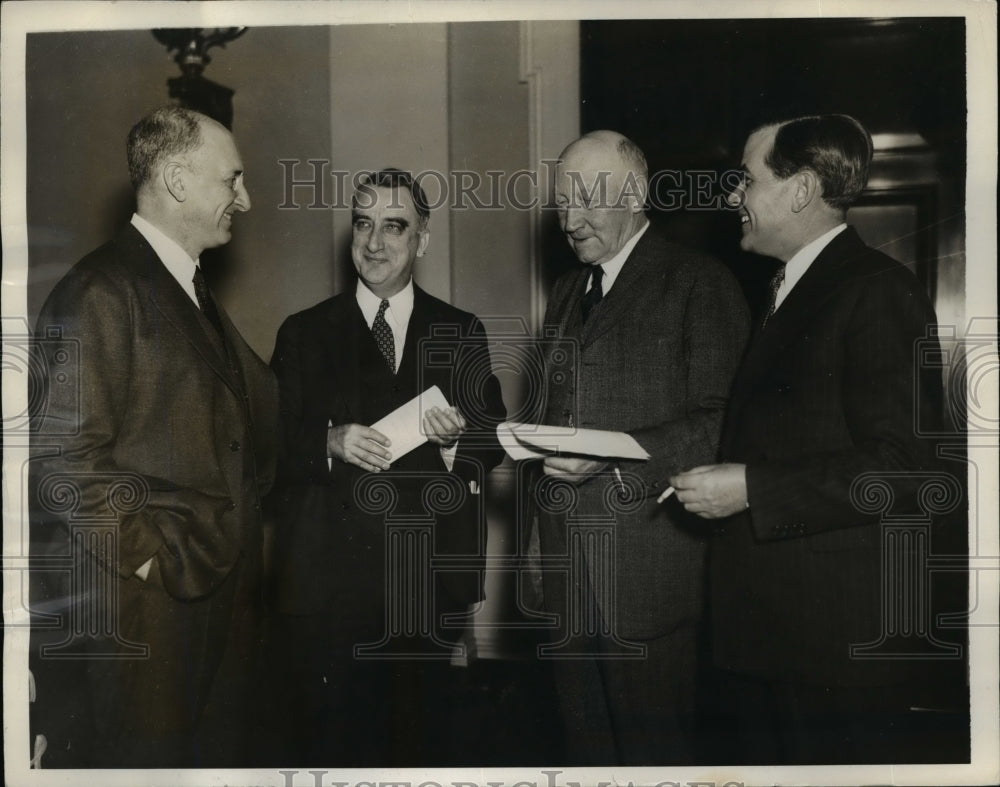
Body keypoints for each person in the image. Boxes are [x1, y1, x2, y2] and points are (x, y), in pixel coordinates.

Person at [670, 114, 946, 763]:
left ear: (799, 191)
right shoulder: (788, 291)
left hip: (829, 655)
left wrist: (750, 489)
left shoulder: (877, 290)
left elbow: (907, 466)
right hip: (774, 642)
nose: (732, 196)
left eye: (746, 179)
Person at [28, 106, 279, 767]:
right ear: (176, 180)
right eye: (233, 180)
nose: (244, 200)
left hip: (209, 598)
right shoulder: (100, 291)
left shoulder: (184, 285)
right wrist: (150, 557)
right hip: (147, 613)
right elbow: (61, 462)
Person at [268, 168, 507, 765]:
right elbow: (264, 447)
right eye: (363, 224)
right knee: (335, 750)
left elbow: (494, 440)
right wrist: (327, 442)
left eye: (393, 227)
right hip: (329, 592)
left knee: (419, 749)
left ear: (421, 240)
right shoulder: (303, 332)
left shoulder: (460, 331)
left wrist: (455, 445)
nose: (373, 243)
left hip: (423, 591)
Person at [532, 130, 749, 764]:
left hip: (650, 576)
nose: (570, 221)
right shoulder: (570, 291)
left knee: (655, 758)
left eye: (587, 201)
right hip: (569, 574)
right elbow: (555, 415)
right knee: (586, 753)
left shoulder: (698, 282)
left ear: (636, 195)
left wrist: (614, 452)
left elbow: (723, 422)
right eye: (562, 203)